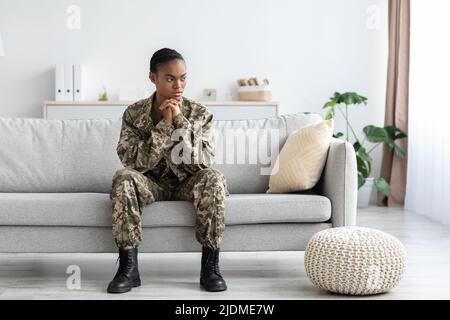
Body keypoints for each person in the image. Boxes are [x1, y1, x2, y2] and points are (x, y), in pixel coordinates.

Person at [107, 48, 230, 294]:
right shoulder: (133, 114)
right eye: (170, 78)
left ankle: (210, 269)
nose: (179, 85)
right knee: (123, 179)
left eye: (183, 77)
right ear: (153, 77)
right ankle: (128, 269)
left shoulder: (200, 113)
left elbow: (202, 163)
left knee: (214, 178)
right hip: (150, 184)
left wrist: (179, 122)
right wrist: (164, 126)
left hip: (187, 182)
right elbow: (132, 162)